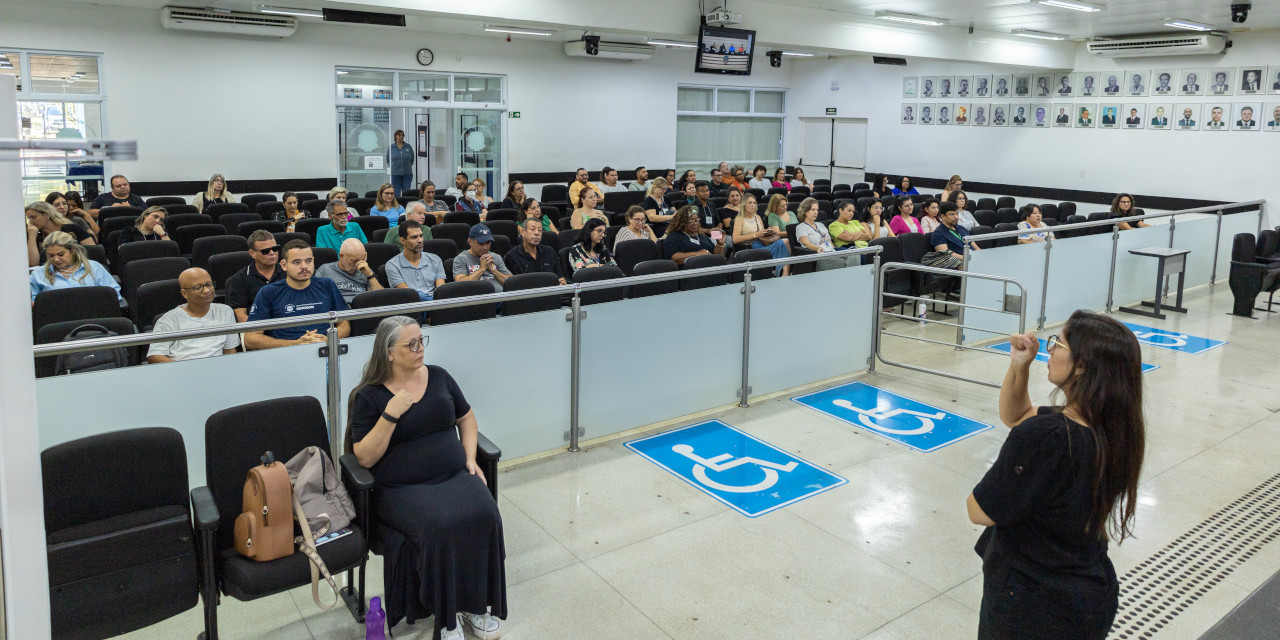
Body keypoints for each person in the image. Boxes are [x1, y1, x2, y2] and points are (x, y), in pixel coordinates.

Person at [968, 312, 1145, 640]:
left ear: (1082, 365)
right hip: (1087, 593)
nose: (1050, 349)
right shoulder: (1117, 427)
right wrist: (1019, 365)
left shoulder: (1047, 436)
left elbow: (979, 510)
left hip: (1031, 604)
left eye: (1058, 343)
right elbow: (1017, 414)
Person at [346, 315, 507, 640]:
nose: (420, 349)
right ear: (389, 352)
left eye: (422, 341)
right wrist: (392, 413)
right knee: (440, 526)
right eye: (412, 344)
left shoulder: (439, 377)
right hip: (402, 488)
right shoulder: (370, 396)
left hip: (452, 474)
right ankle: (446, 618)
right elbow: (363, 456)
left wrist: (470, 457)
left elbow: (467, 418)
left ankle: (475, 605)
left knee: (485, 514)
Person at [244, 240, 351, 349]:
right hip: (287, 354)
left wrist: (329, 339)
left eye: (308, 261)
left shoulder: (327, 285)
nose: (304, 266)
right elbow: (250, 338)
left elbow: (344, 324)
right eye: (296, 262)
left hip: (326, 350)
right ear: (284, 265)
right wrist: (295, 344)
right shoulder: (268, 292)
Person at [146, 267, 239, 363]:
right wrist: (185, 370)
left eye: (209, 284)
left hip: (217, 369)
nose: (207, 290)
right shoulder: (167, 320)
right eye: (198, 287)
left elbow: (230, 350)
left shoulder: (225, 311)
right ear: (185, 293)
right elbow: (155, 356)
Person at [29, 232, 120, 304]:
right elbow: (34, 302)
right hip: (56, 322)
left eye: (61, 254)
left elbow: (113, 294)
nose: (56, 259)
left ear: (72, 250)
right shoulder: (38, 274)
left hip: (92, 318)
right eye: (51, 256)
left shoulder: (94, 268)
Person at [227, 231, 284, 322]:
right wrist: (269, 328)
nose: (272, 253)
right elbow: (240, 316)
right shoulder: (239, 280)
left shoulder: (288, 272)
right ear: (252, 253)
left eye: (275, 248)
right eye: (265, 251)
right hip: (256, 328)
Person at [385, 221, 446, 301]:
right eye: (414, 237)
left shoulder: (435, 259)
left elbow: (440, 291)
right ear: (403, 240)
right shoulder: (392, 265)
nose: (420, 240)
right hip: (411, 307)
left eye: (421, 236)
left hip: (435, 306)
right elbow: (409, 295)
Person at [731, 193, 790, 276]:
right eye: (750, 203)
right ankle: (781, 272)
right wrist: (755, 235)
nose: (753, 205)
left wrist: (767, 231)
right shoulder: (740, 219)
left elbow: (762, 234)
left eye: (754, 203)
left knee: (785, 241)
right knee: (783, 243)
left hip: (762, 243)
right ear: (744, 205)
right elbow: (735, 239)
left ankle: (783, 272)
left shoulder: (757, 217)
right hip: (751, 247)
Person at [26, 201, 96, 268]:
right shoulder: (34, 234)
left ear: (46, 214)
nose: (31, 222)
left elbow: (93, 251)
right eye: (29, 218)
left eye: (33, 217)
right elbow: (33, 263)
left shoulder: (72, 229)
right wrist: (32, 237)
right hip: (48, 271)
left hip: (76, 267)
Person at [316, 237, 384, 303]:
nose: (357, 265)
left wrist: (369, 275)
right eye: (353, 261)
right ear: (341, 257)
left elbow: (381, 298)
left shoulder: (365, 269)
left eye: (362, 260)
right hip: (339, 309)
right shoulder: (325, 270)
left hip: (361, 308)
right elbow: (318, 298)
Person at [505, 216, 566, 284]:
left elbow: (561, 278)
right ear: (523, 232)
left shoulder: (550, 252)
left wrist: (562, 284)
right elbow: (515, 285)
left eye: (540, 230)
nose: (537, 233)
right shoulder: (512, 256)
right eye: (532, 229)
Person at [452, 224, 512, 292]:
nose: (485, 247)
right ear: (470, 241)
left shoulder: (496, 257)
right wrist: (482, 269)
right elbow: (459, 285)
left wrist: (493, 270)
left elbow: (511, 283)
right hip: (477, 299)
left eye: (488, 243)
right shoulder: (461, 259)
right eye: (481, 243)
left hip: (500, 298)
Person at [794, 198, 843, 270]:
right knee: (843, 263)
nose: (816, 212)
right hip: (819, 257)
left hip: (832, 252)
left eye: (817, 210)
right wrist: (818, 248)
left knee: (855, 255)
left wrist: (836, 250)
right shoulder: (801, 227)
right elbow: (806, 243)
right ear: (805, 211)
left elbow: (830, 242)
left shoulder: (821, 225)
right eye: (813, 209)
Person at [926, 205, 977, 270]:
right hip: (961, 263)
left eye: (957, 214)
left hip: (973, 260)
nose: (956, 217)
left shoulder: (961, 228)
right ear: (943, 216)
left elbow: (975, 246)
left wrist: (980, 256)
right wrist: (968, 258)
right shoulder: (938, 234)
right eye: (952, 214)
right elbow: (945, 254)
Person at [387, 129, 414, 197]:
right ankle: (397, 206)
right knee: (396, 191)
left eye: (402, 135)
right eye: (399, 135)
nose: (401, 137)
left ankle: (405, 205)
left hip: (407, 173)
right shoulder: (391, 147)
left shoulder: (408, 146)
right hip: (395, 173)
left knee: (406, 191)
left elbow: (412, 159)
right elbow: (388, 160)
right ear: (395, 136)